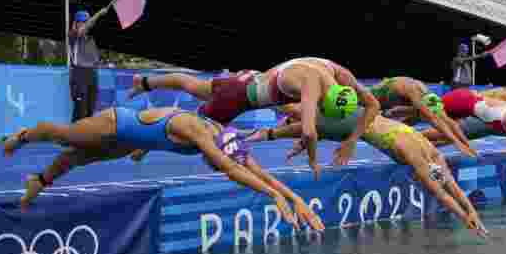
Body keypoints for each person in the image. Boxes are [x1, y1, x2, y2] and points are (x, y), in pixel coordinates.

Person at [1, 107, 323, 233]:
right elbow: (231, 169)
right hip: (117, 122)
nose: (211, 166)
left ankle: (38, 181)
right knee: (65, 137)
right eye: (214, 162)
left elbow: (256, 170)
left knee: (77, 159)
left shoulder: (225, 137)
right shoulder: (201, 133)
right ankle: (24, 135)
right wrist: (271, 197)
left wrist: (295, 199)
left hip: (131, 141)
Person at [256, 106, 489, 237]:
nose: (419, 181)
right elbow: (442, 194)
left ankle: (275, 110)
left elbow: (451, 188)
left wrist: (471, 212)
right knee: (310, 125)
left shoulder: (434, 154)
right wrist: (464, 217)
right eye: (422, 179)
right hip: (357, 125)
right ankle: (269, 120)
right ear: (423, 173)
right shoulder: (417, 158)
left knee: (308, 119)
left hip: (365, 115)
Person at [129, 58, 380, 176]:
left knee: (194, 86)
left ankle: (144, 82)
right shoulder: (312, 86)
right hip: (236, 100)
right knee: (195, 137)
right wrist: (313, 161)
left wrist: (351, 141)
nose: (319, 111)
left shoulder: (337, 74)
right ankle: (146, 142)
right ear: (324, 101)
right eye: (321, 110)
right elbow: (309, 131)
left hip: (246, 78)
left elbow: (373, 105)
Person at [68, 7, 110, 121]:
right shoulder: (73, 35)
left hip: (92, 73)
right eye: (80, 22)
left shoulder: (92, 38)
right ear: (75, 24)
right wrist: (99, 14)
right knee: (80, 110)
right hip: (79, 74)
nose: (82, 24)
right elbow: (84, 29)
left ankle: (86, 137)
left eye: (84, 22)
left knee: (90, 110)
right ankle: (74, 137)